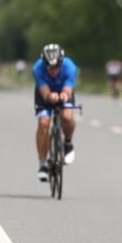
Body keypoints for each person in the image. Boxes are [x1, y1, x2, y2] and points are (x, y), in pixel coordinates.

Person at [33, 43, 78, 181]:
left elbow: (68, 89)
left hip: (63, 90)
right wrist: (49, 96)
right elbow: (44, 91)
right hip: (45, 93)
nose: (53, 71)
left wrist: (64, 95)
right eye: (49, 68)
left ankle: (68, 143)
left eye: (57, 67)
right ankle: (42, 164)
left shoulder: (70, 67)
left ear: (61, 62)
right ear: (44, 64)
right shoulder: (37, 68)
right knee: (43, 123)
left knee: (67, 116)